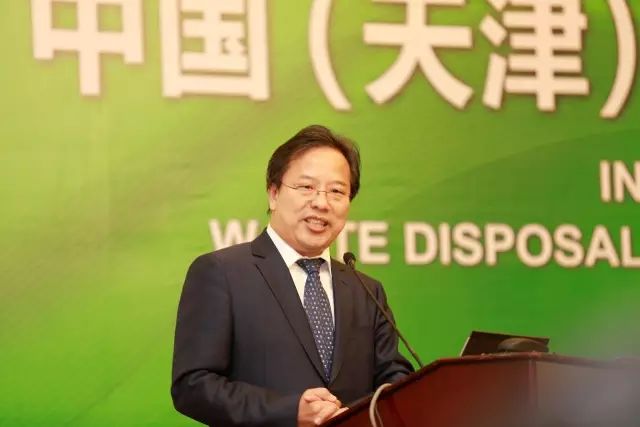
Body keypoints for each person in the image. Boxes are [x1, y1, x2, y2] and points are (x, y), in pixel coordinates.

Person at [171, 125, 413, 427]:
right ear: (274, 194)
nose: (321, 203)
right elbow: (193, 385)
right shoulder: (222, 273)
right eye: (306, 187)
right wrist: (289, 411)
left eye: (337, 191)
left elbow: (393, 376)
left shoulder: (366, 290)